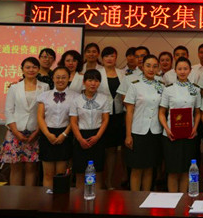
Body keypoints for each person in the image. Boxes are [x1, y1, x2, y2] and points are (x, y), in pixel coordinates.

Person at [0, 57, 48, 186]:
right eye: (28, 67)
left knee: (31, 168)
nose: (31, 70)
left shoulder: (45, 87)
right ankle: (15, 197)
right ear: (22, 69)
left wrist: (37, 132)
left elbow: (45, 112)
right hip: (15, 131)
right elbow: (9, 110)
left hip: (35, 131)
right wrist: (16, 132)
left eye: (34, 67)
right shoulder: (14, 87)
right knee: (15, 167)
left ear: (38, 69)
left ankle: (29, 197)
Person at [158, 57, 201, 193]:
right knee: (172, 170)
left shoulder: (195, 89)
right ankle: (173, 199)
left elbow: (198, 112)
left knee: (186, 169)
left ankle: (184, 198)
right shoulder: (168, 89)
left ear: (190, 70)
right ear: (175, 70)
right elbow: (162, 112)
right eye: (180, 69)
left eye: (185, 69)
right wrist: (167, 129)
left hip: (189, 134)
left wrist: (195, 128)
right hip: (171, 135)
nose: (182, 71)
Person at [124, 55, 164, 191]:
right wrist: (128, 135)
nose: (151, 69)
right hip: (137, 131)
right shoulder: (135, 85)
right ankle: (134, 198)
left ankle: (146, 196)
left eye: (154, 66)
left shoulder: (161, 86)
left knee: (149, 168)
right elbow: (129, 111)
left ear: (158, 68)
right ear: (142, 67)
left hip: (155, 131)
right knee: (136, 168)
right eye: (148, 66)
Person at [69, 69, 110, 191]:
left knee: (97, 172)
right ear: (84, 82)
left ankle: (97, 200)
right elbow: (73, 122)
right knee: (80, 172)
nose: (93, 83)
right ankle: (79, 200)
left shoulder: (104, 99)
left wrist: (97, 137)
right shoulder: (76, 100)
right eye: (90, 80)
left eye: (96, 81)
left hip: (98, 136)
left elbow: (105, 120)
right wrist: (80, 139)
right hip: (81, 136)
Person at [36, 66, 76, 189]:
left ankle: (61, 199)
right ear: (53, 78)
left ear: (69, 78)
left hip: (65, 135)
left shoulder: (75, 96)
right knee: (48, 174)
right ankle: (47, 199)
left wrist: (64, 134)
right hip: (47, 134)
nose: (60, 80)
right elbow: (40, 117)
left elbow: (74, 119)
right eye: (57, 77)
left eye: (64, 77)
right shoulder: (44, 96)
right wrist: (48, 134)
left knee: (61, 174)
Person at [97, 46, 127, 190]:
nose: (109, 59)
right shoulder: (97, 73)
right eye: (106, 56)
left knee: (113, 150)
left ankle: (109, 181)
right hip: (100, 115)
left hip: (118, 115)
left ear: (116, 58)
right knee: (99, 149)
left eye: (112, 56)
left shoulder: (122, 73)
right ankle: (98, 181)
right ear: (102, 59)